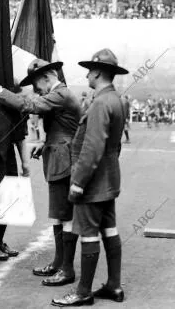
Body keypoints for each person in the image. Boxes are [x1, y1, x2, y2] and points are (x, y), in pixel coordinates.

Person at [0, 58, 81, 286]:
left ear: (47, 77)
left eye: (37, 86)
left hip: (63, 160)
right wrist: (45, 144)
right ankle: (59, 263)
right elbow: (62, 128)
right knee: (59, 215)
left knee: (64, 216)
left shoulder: (61, 93)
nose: (37, 91)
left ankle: (66, 269)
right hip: (59, 156)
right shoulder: (60, 94)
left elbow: (31, 106)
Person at [52, 49, 127, 306]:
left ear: (97, 72)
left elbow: (92, 147)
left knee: (89, 234)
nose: (87, 74)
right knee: (110, 230)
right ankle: (114, 286)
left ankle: (83, 292)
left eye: (89, 71)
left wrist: (78, 182)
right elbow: (114, 146)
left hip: (93, 182)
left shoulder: (100, 103)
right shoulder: (117, 99)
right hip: (109, 178)